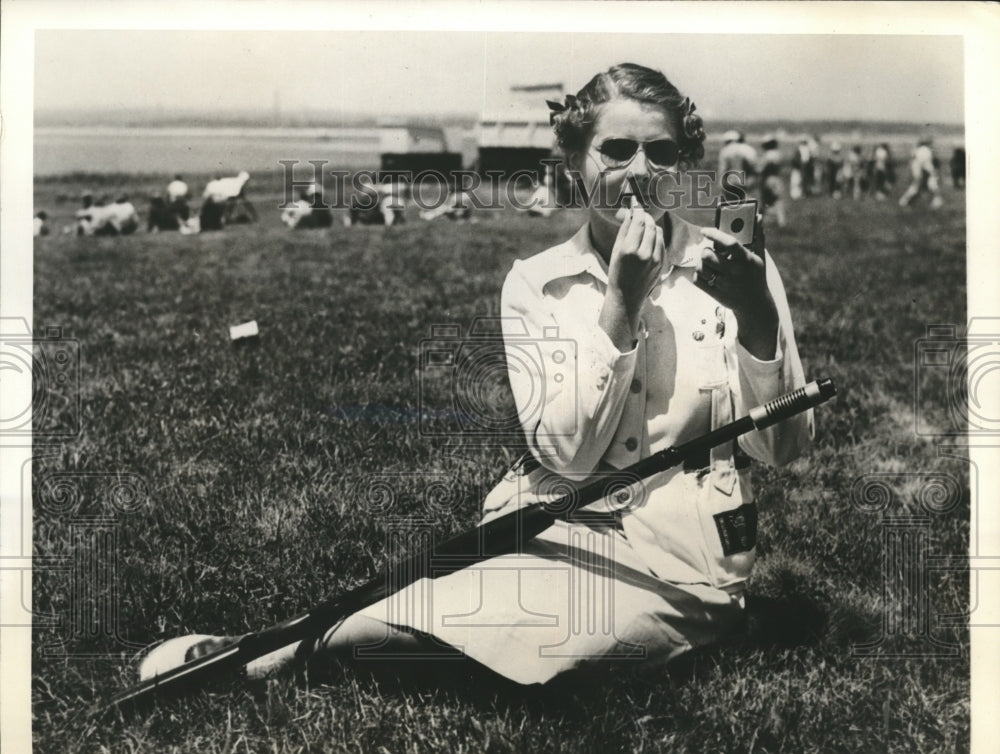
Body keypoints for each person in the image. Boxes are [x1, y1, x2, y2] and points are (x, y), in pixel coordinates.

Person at [139, 63, 814, 689]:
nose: (640, 171)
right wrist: (622, 304)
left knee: (560, 638)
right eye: (616, 150)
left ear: (682, 165)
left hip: (681, 557)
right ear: (576, 163)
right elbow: (568, 456)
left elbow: (782, 447)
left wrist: (757, 319)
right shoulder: (535, 283)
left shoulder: (736, 269)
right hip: (552, 524)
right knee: (431, 600)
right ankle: (280, 646)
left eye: (661, 153)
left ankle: (273, 655)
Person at [898, 138, 943, 209]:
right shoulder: (925, 150)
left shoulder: (918, 150)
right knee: (923, 185)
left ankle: (905, 201)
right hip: (921, 170)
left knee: (924, 185)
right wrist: (933, 172)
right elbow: (925, 163)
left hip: (919, 170)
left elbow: (916, 162)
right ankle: (904, 201)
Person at [717, 129, 758, 202]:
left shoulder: (725, 150)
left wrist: (721, 184)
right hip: (745, 182)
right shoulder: (748, 149)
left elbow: (723, 169)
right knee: (745, 203)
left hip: (730, 182)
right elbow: (754, 167)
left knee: (730, 205)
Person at [759, 135, 786, 227]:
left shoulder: (768, 155)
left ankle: (764, 221)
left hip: (768, 179)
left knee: (766, 200)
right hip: (777, 178)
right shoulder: (778, 154)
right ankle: (781, 221)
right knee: (778, 200)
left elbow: (761, 168)